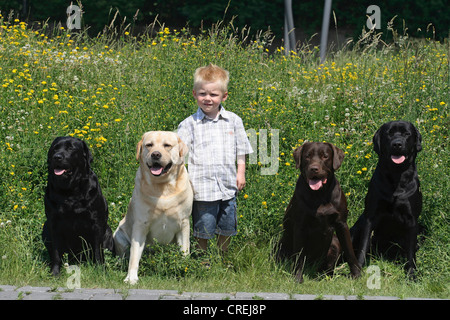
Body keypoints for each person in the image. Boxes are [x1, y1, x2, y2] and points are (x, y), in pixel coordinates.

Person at [177, 64, 253, 261]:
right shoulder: (189, 124)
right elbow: (179, 156)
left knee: (226, 225)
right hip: (201, 188)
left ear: (224, 96)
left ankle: (223, 258)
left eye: (213, 94)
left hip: (228, 186)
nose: (208, 98)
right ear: (194, 94)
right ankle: (201, 261)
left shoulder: (234, 121)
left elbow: (241, 150)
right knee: (203, 226)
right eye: (203, 93)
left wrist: (241, 173)